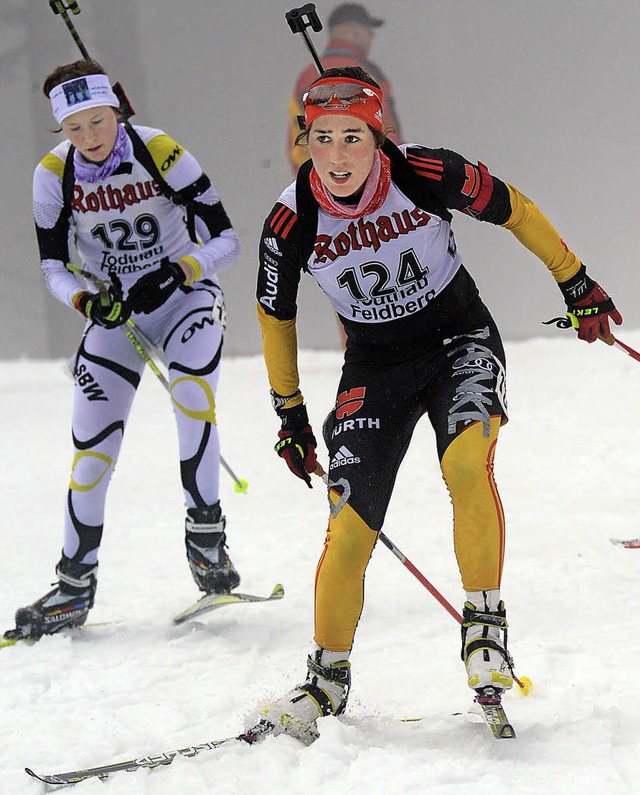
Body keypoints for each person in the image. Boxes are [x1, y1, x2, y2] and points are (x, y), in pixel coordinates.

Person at [251, 65, 622, 740]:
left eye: (353, 138)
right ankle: (325, 677)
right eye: (322, 138)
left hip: (459, 338)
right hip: (375, 363)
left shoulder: (426, 172)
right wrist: (289, 412)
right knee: (349, 524)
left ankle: (485, 627)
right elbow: (274, 315)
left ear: (378, 134)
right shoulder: (289, 218)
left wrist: (576, 281)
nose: (337, 156)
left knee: (466, 464)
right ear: (305, 139)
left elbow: (516, 208)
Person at [5, 59, 241, 641]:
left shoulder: (158, 150)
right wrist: (87, 302)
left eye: (99, 120)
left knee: (192, 396)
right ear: (60, 129)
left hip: (185, 299)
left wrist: (179, 271)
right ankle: (73, 584)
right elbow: (54, 268)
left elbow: (227, 239)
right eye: (75, 127)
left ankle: (206, 540)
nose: (90, 137)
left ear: (118, 109)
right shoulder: (51, 175)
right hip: (118, 315)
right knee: (91, 450)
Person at [287, 3, 402, 174]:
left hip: (320, 177)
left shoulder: (307, 74)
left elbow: (297, 139)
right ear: (349, 30)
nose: (371, 35)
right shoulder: (363, 72)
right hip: (367, 178)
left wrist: (307, 179)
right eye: (367, 29)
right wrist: (398, 171)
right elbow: (383, 129)